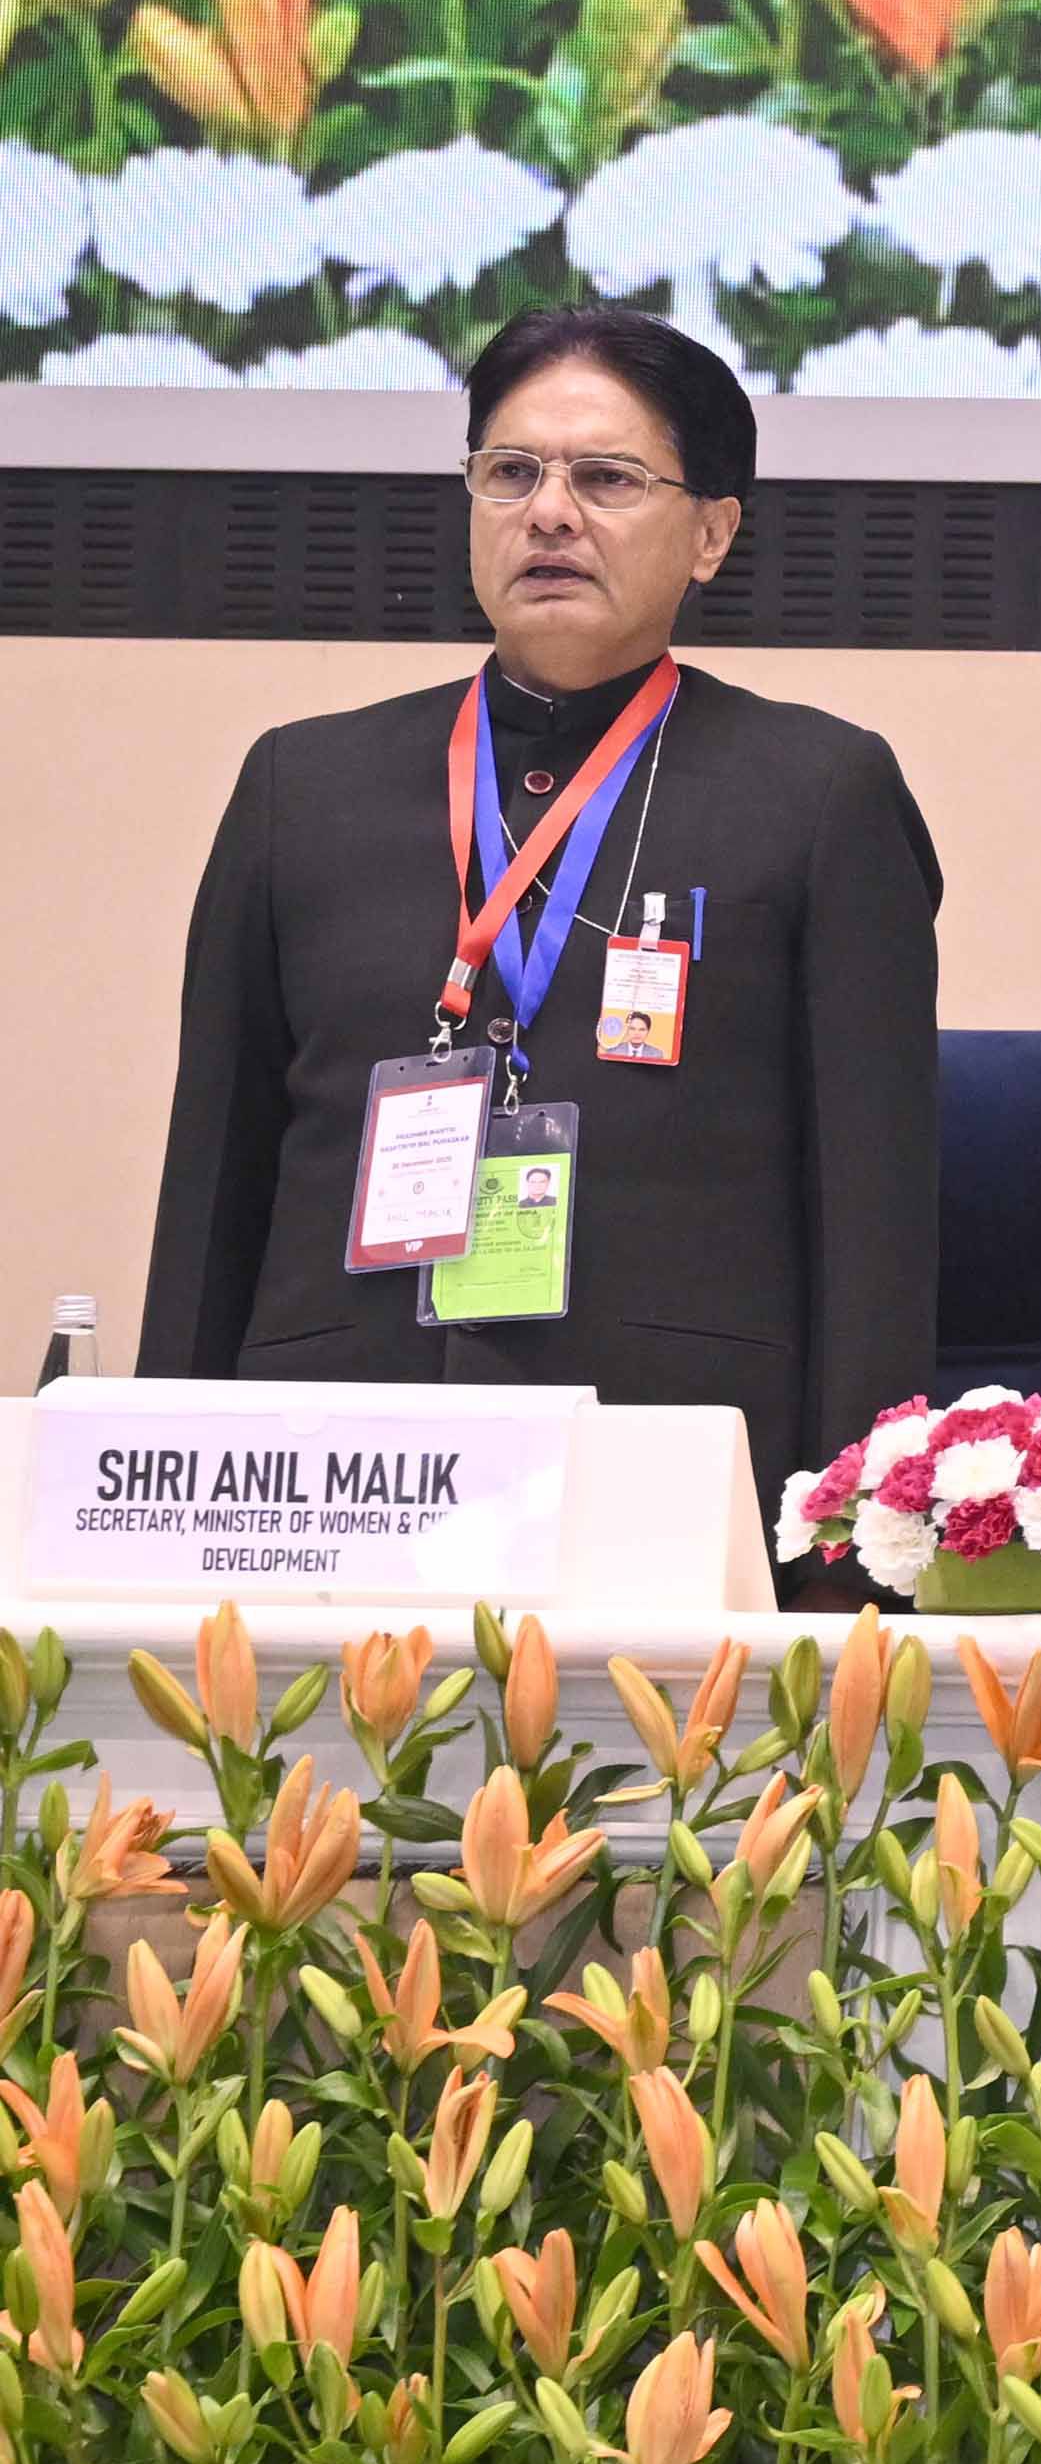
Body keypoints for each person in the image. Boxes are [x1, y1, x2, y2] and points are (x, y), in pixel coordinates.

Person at [140, 304, 942, 1606]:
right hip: (324, 1489)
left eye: (607, 478)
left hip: (668, 1495)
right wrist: (156, 1553)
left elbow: (875, 1228)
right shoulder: (303, 787)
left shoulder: (818, 795)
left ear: (712, 533)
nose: (549, 513)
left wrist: (850, 1584)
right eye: (510, 472)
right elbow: (211, 1200)